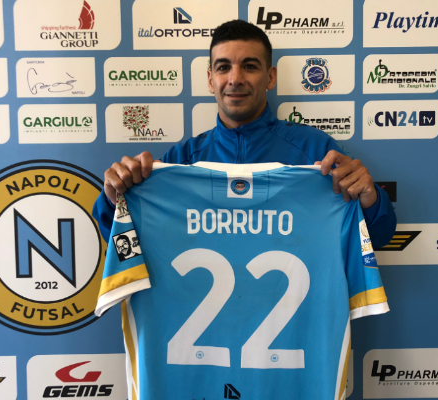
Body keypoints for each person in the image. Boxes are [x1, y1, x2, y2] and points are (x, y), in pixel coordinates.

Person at [93, 20, 396, 247]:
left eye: (249, 66)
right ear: (210, 80)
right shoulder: (179, 160)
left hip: (296, 314)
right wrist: (114, 198)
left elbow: (378, 238)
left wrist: (369, 198)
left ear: (271, 77)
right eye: (223, 67)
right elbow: (124, 244)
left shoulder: (318, 152)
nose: (235, 78)